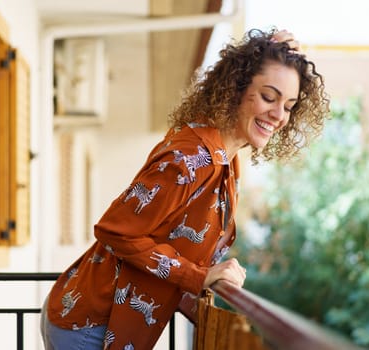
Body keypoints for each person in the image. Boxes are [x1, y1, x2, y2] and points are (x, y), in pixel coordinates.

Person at [41, 28, 330, 350]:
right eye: (268, 97)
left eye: (289, 105)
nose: (279, 116)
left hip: (97, 319)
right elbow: (116, 232)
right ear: (235, 89)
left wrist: (269, 51)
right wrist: (199, 277)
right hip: (88, 325)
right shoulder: (191, 158)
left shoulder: (225, 158)